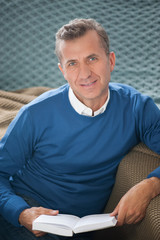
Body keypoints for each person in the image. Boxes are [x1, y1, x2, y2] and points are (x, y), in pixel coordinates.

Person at [0, 18, 160, 240]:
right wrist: (20, 213)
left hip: (86, 227)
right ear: (62, 71)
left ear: (111, 60)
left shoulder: (136, 107)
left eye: (92, 58)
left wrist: (150, 185)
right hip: (29, 215)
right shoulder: (34, 114)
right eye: (72, 63)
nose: (85, 74)